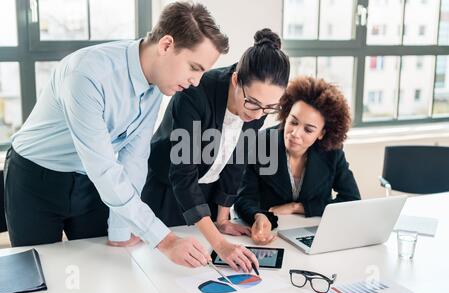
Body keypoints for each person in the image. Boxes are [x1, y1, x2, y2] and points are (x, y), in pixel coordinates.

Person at [5, 2, 229, 269]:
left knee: (103, 267)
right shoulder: (87, 75)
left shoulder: (158, 81)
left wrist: (121, 227)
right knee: (39, 271)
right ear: (166, 45)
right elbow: (104, 168)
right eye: (194, 67)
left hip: (89, 182)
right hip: (35, 179)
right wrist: (165, 240)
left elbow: (134, 156)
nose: (197, 81)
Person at [138, 29, 290, 273]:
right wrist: (220, 244)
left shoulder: (258, 105)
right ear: (235, 80)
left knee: (205, 270)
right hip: (168, 188)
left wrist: (222, 220)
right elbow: (183, 171)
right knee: (166, 271)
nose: (257, 114)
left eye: (269, 108)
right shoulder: (196, 93)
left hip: (207, 188)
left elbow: (237, 160)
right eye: (252, 103)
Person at [234, 76, 361, 245]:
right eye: (293, 122)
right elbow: (243, 199)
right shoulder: (260, 143)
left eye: (308, 129)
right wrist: (258, 215)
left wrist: (299, 207)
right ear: (286, 115)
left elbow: (351, 200)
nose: (295, 133)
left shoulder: (332, 152)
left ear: (321, 134)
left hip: (313, 236)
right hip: (271, 234)